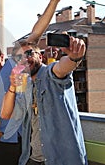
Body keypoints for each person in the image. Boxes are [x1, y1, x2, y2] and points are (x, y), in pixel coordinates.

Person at [0, 0, 63, 164]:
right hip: (8, 137)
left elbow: (34, 36)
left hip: (23, 138)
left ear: (2, 57)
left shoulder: (14, 66)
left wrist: (54, 1)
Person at [7, 36, 87, 165]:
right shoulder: (26, 87)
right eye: (19, 58)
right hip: (33, 158)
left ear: (40, 56)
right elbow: (8, 114)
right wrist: (12, 86)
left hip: (61, 160)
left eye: (29, 53)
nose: (25, 59)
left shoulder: (50, 74)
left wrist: (74, 58)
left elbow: (62, 68)